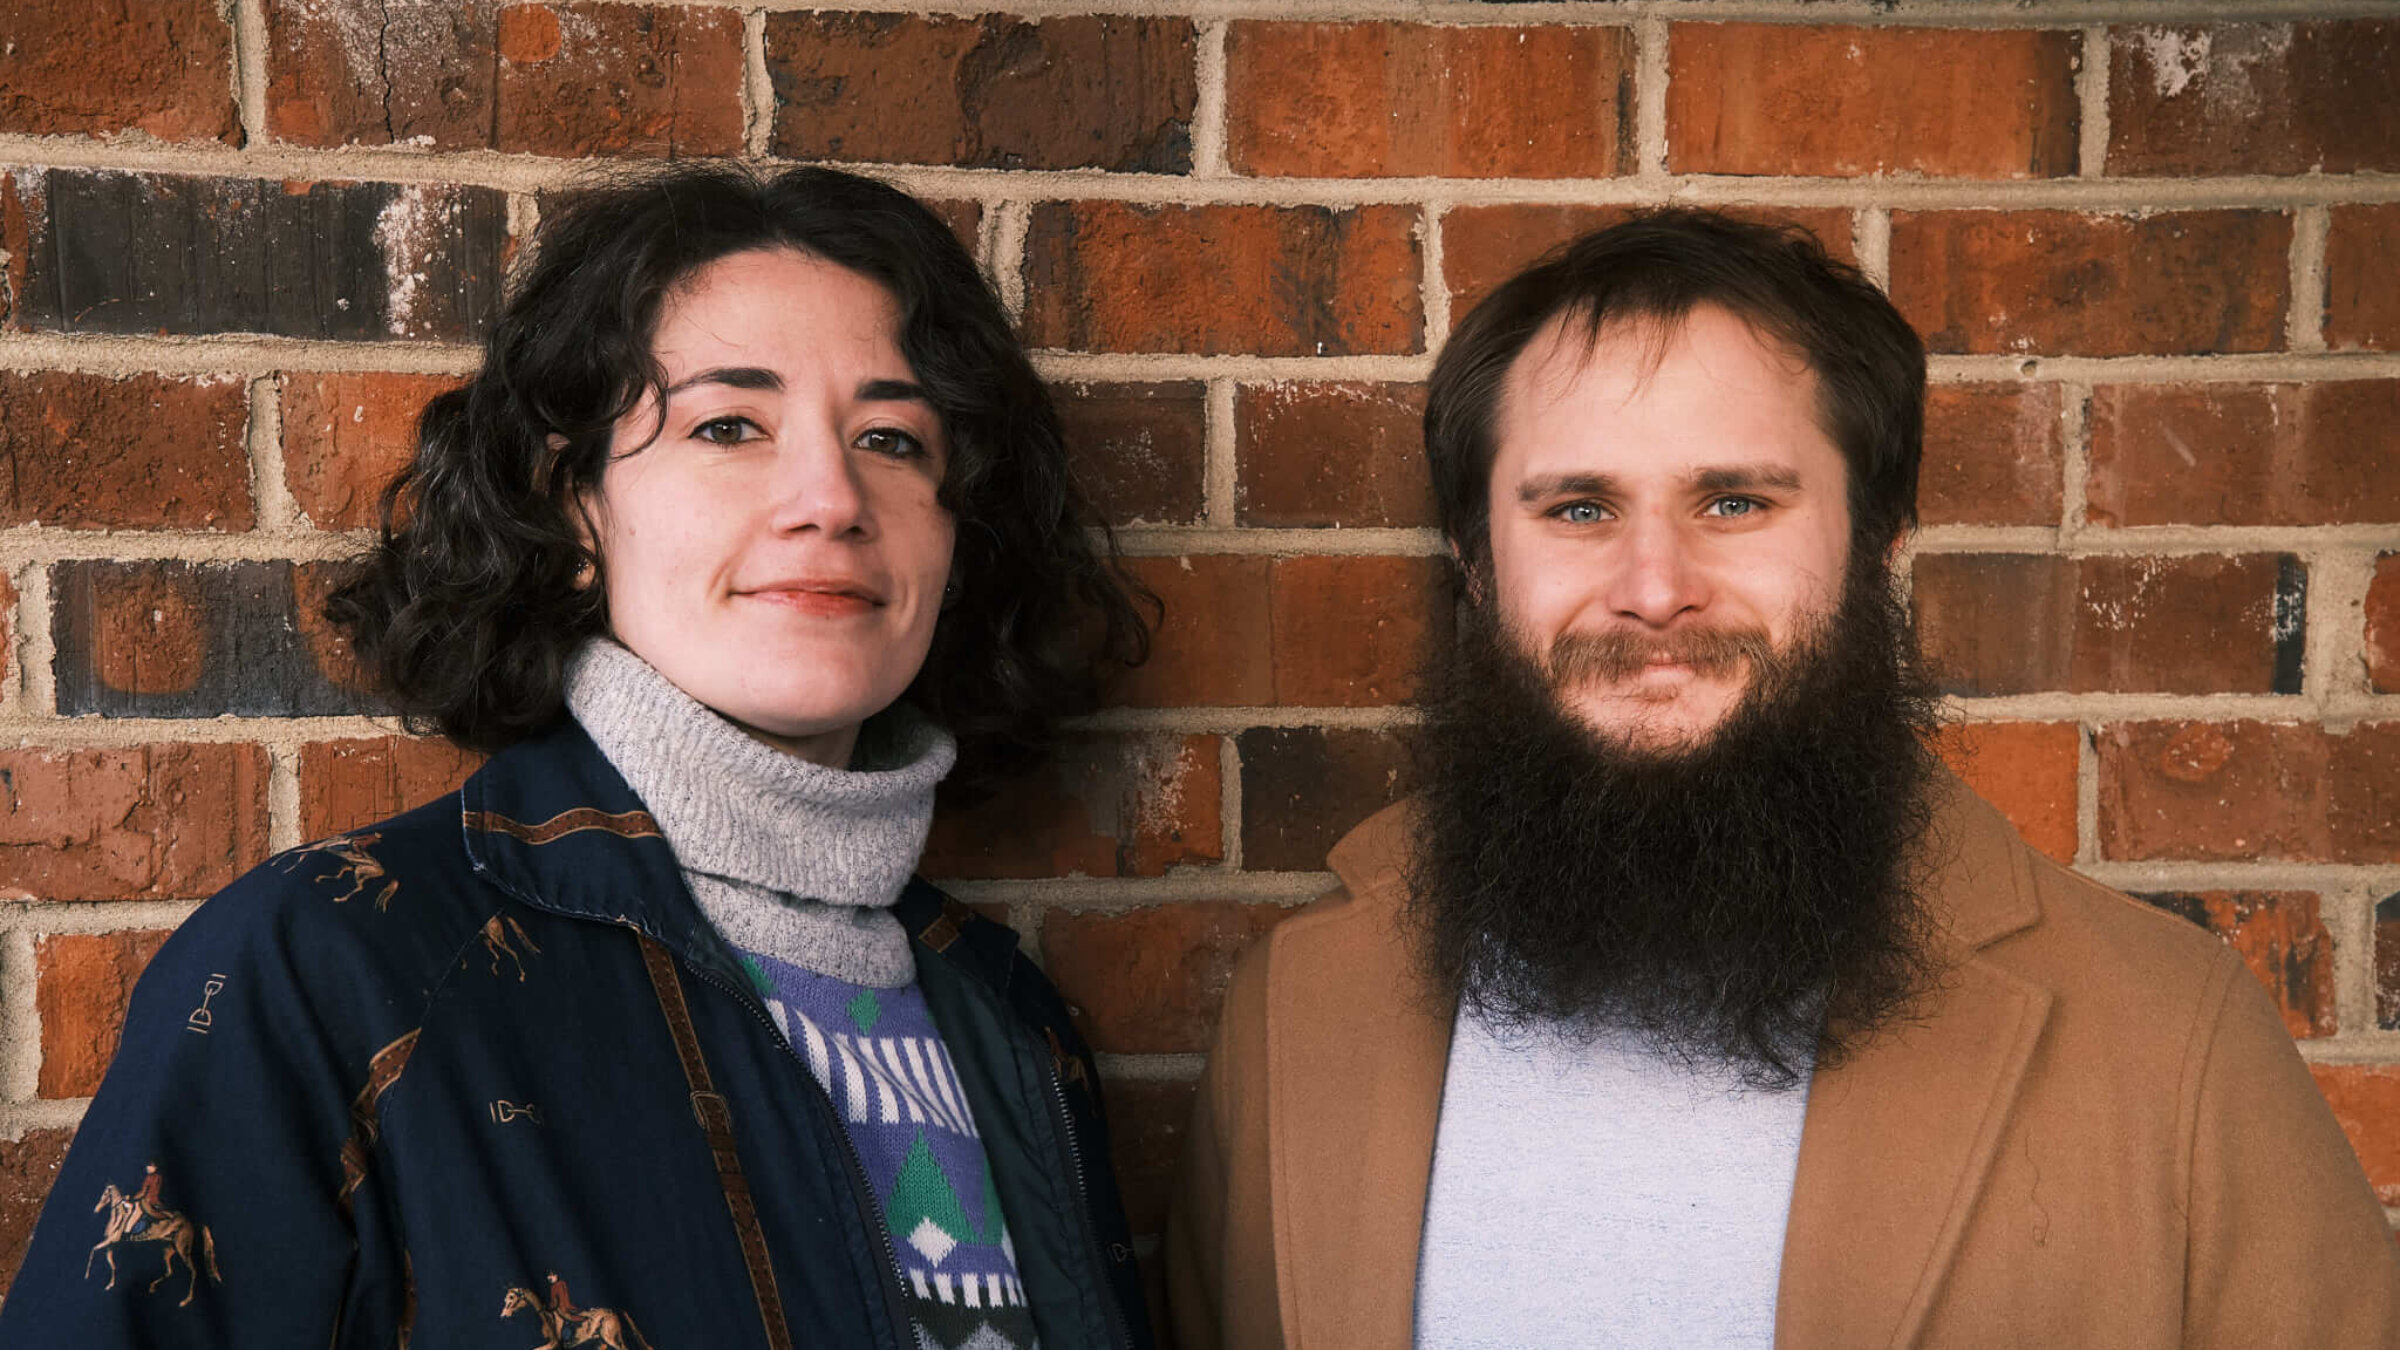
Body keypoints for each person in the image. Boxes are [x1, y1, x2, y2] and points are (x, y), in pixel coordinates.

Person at [1166, 210, 2400, 1347]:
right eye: (1581, 509)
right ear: (1477, 567)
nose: (1655, 589)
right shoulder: (1296, 1013)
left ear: (1881, 542)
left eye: (1736, 500)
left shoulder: (2168, 1038)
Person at [2, 162, 1156, 1350]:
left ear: (955, 536)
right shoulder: (336, 968)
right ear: (575, 509)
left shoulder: (1011, 1018)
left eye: (891, 438)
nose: (831, 496)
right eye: (727, 426)